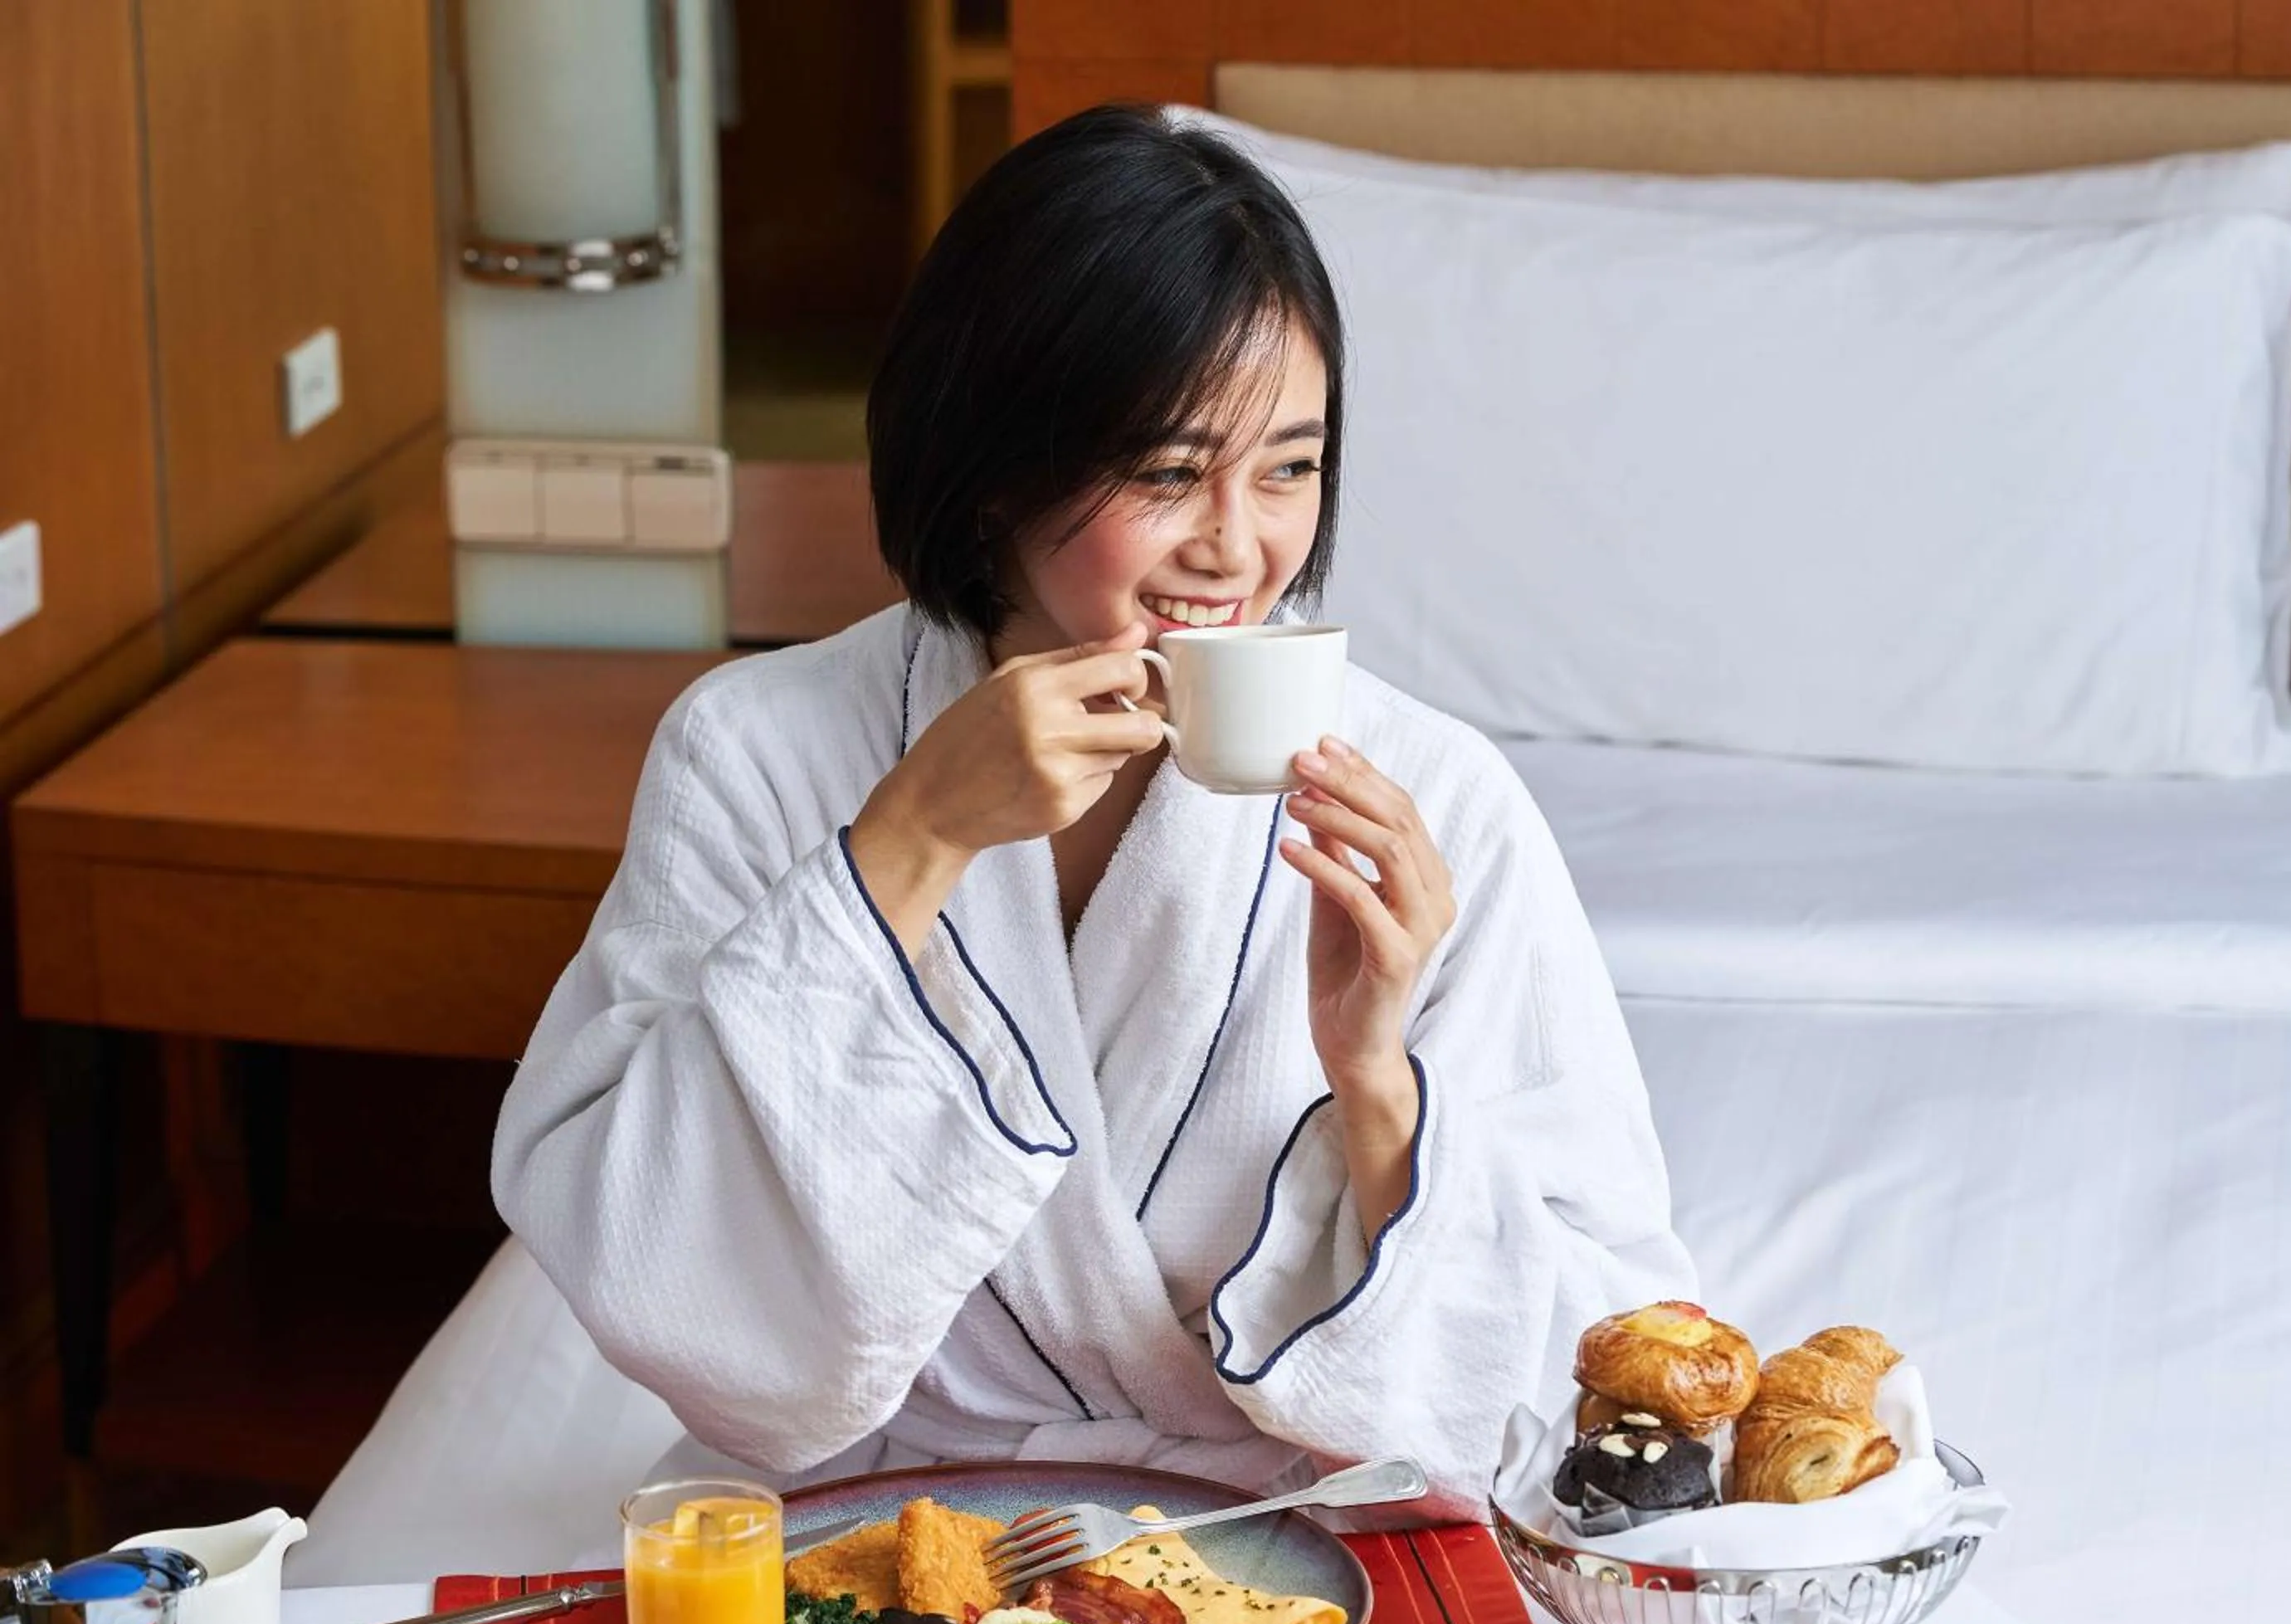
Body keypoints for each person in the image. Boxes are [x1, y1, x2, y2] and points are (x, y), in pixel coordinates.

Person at [492, 104, 1697, 1515]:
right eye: (1168, 472)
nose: (1239, 547)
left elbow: (1600, 1359)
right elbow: (644, 1252)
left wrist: (1378, 1080)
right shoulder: (757, 750)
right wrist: (909, 844)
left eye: (1289, 467)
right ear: (995, 470)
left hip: (1296, 1512)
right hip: (896, 1507)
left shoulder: (1434, 798)